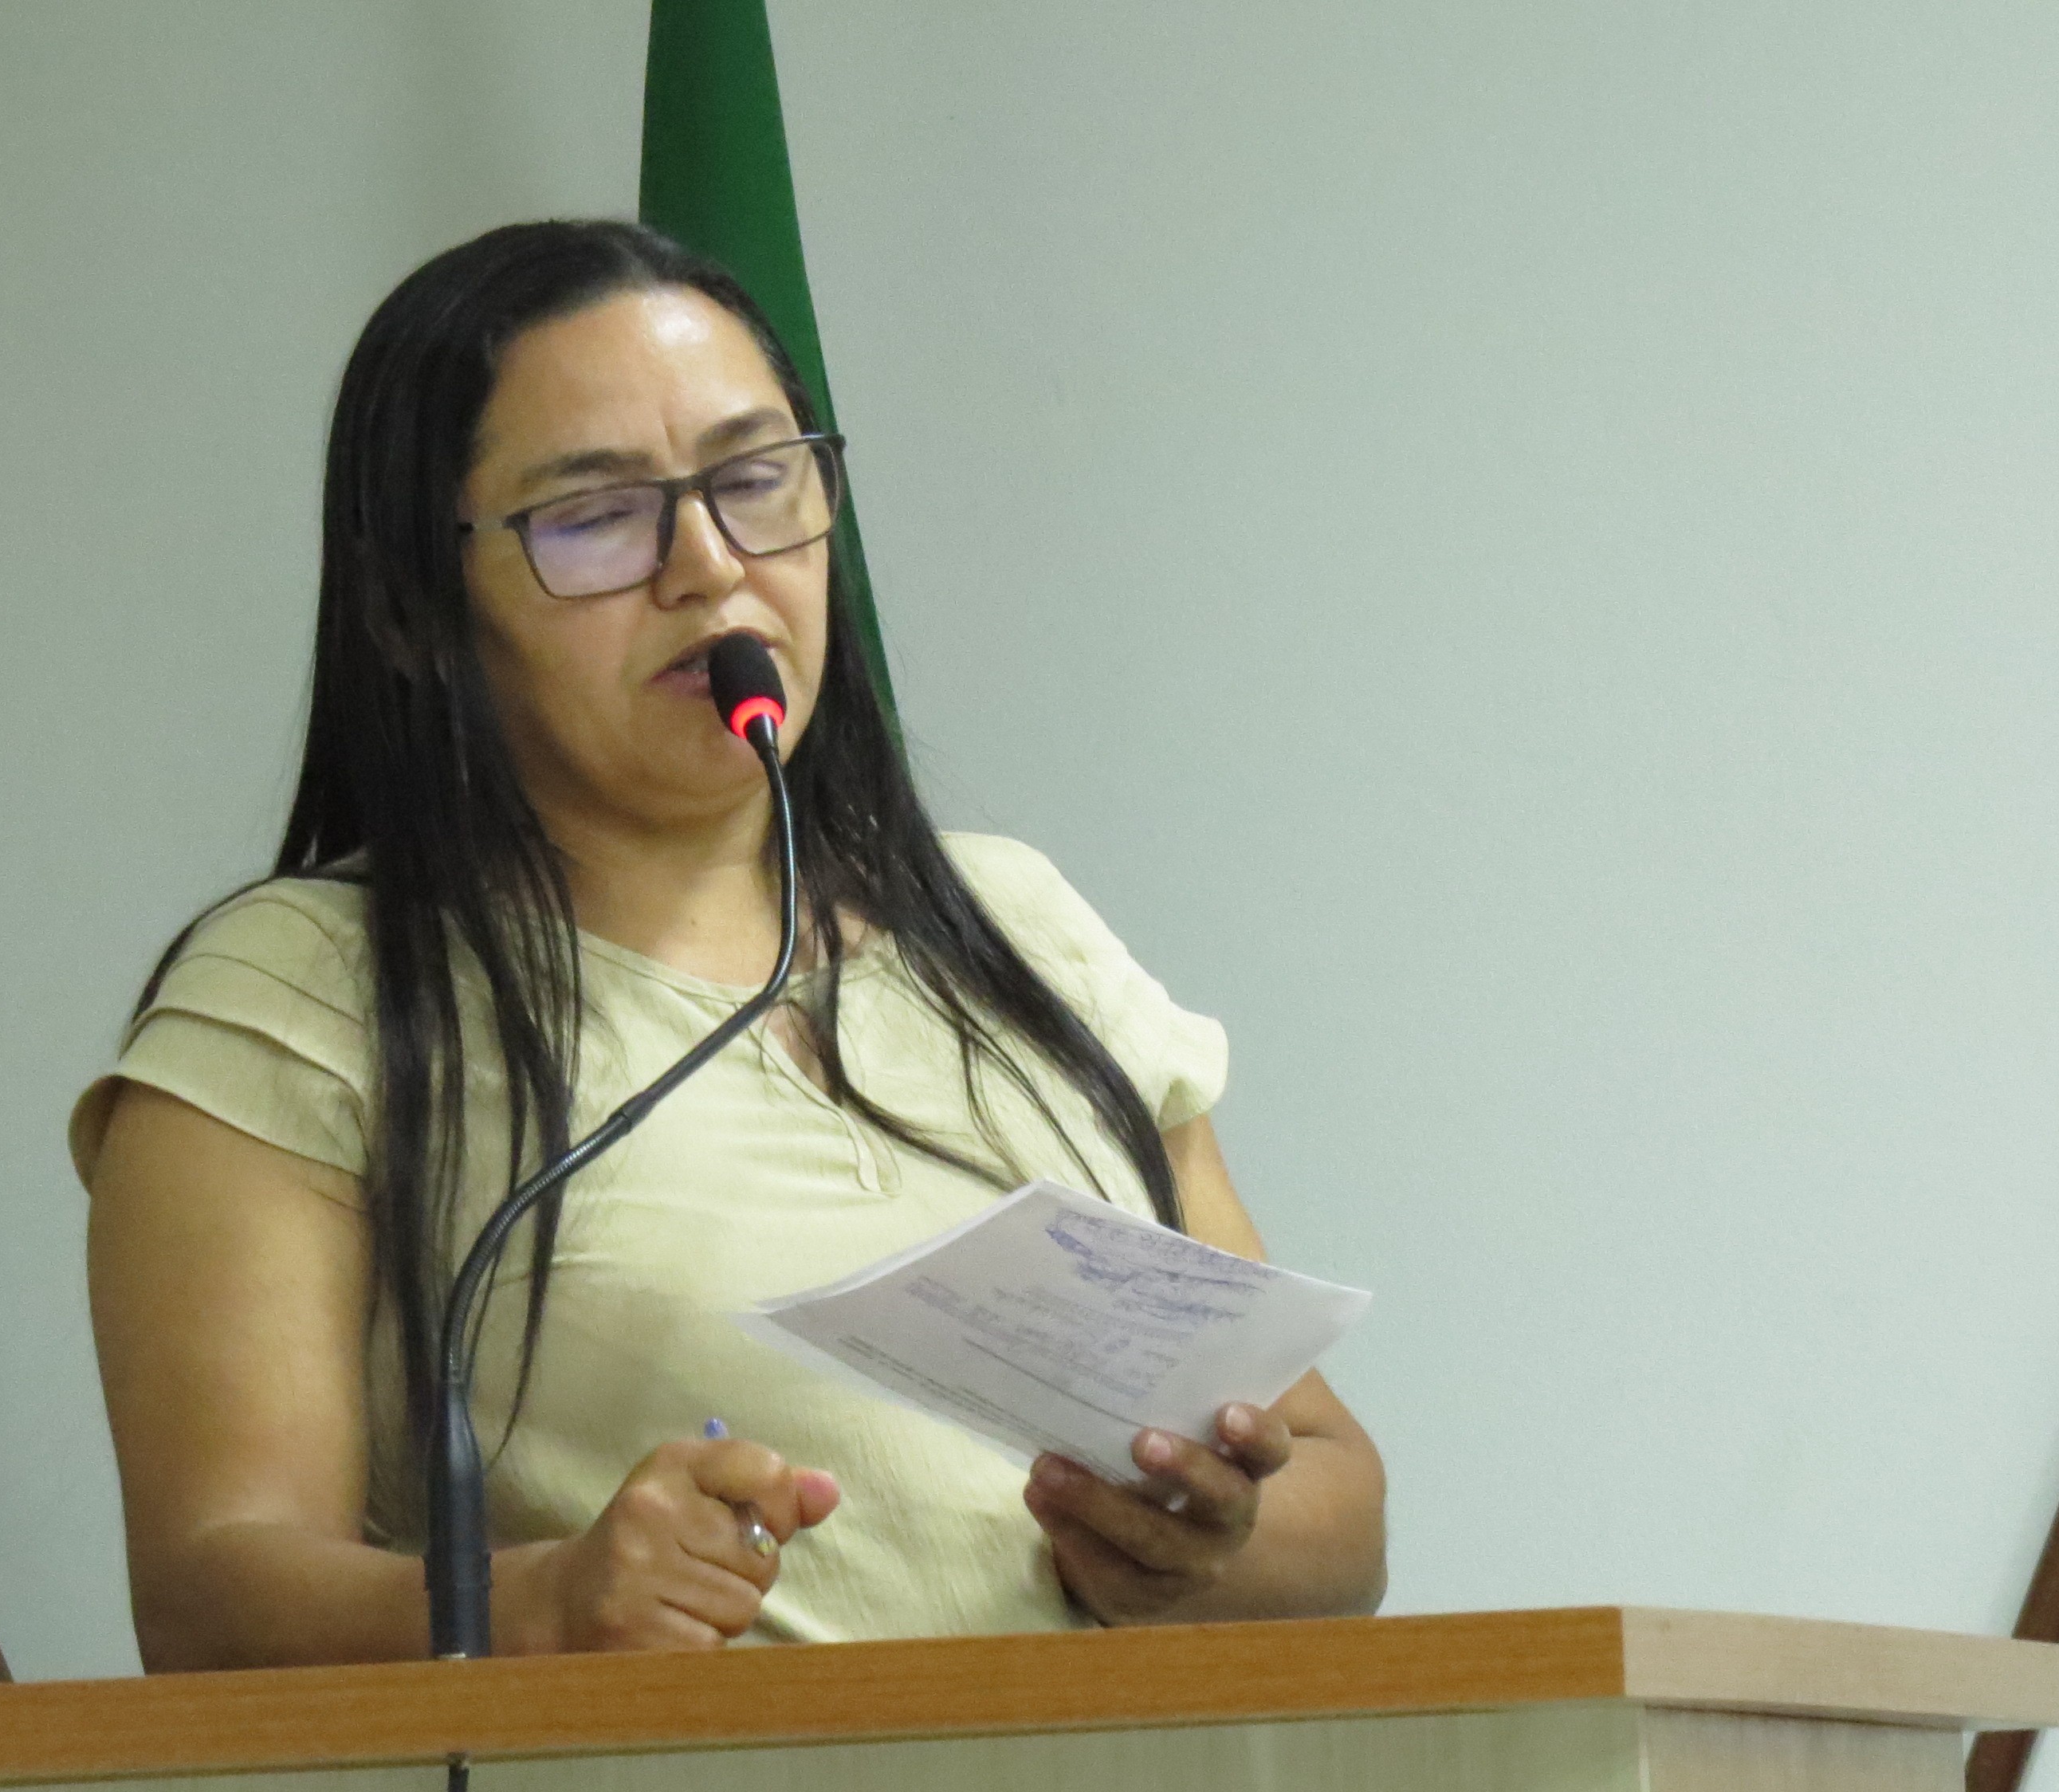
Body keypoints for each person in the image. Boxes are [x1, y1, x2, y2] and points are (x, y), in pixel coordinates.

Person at [73, 219, 1385, 1669]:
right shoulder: (301, 992)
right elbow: (209, 1598)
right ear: (412, 607)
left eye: (756, 483)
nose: (710, 567)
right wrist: (544, 1607)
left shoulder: (1016, 924)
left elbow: (1339, 1508)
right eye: (595, 516)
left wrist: (1199, 1544)